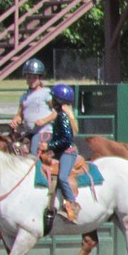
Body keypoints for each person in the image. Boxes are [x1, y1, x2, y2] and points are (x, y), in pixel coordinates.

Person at [40, 83, 81, 222]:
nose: (50, 100)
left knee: (63, 176)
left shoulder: (62, 117)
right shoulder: (58, 115)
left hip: (68, 152)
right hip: (59, 150)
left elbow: (67, 139)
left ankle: (72, 204)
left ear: (57, 101)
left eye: (52, 97)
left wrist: (49, 145)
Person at [9, 58, 55, 157]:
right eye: (29, 77)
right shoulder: (24, 97)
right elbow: (20, 114)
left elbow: (57, 112)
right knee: (14, 148)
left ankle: (36, 171)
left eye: (34, 77)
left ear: (40, 78)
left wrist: (44, 120)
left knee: (34, 150)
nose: (31, 80)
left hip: (44, 131)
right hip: (29, 132)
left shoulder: (46, 93)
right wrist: (15, 120)